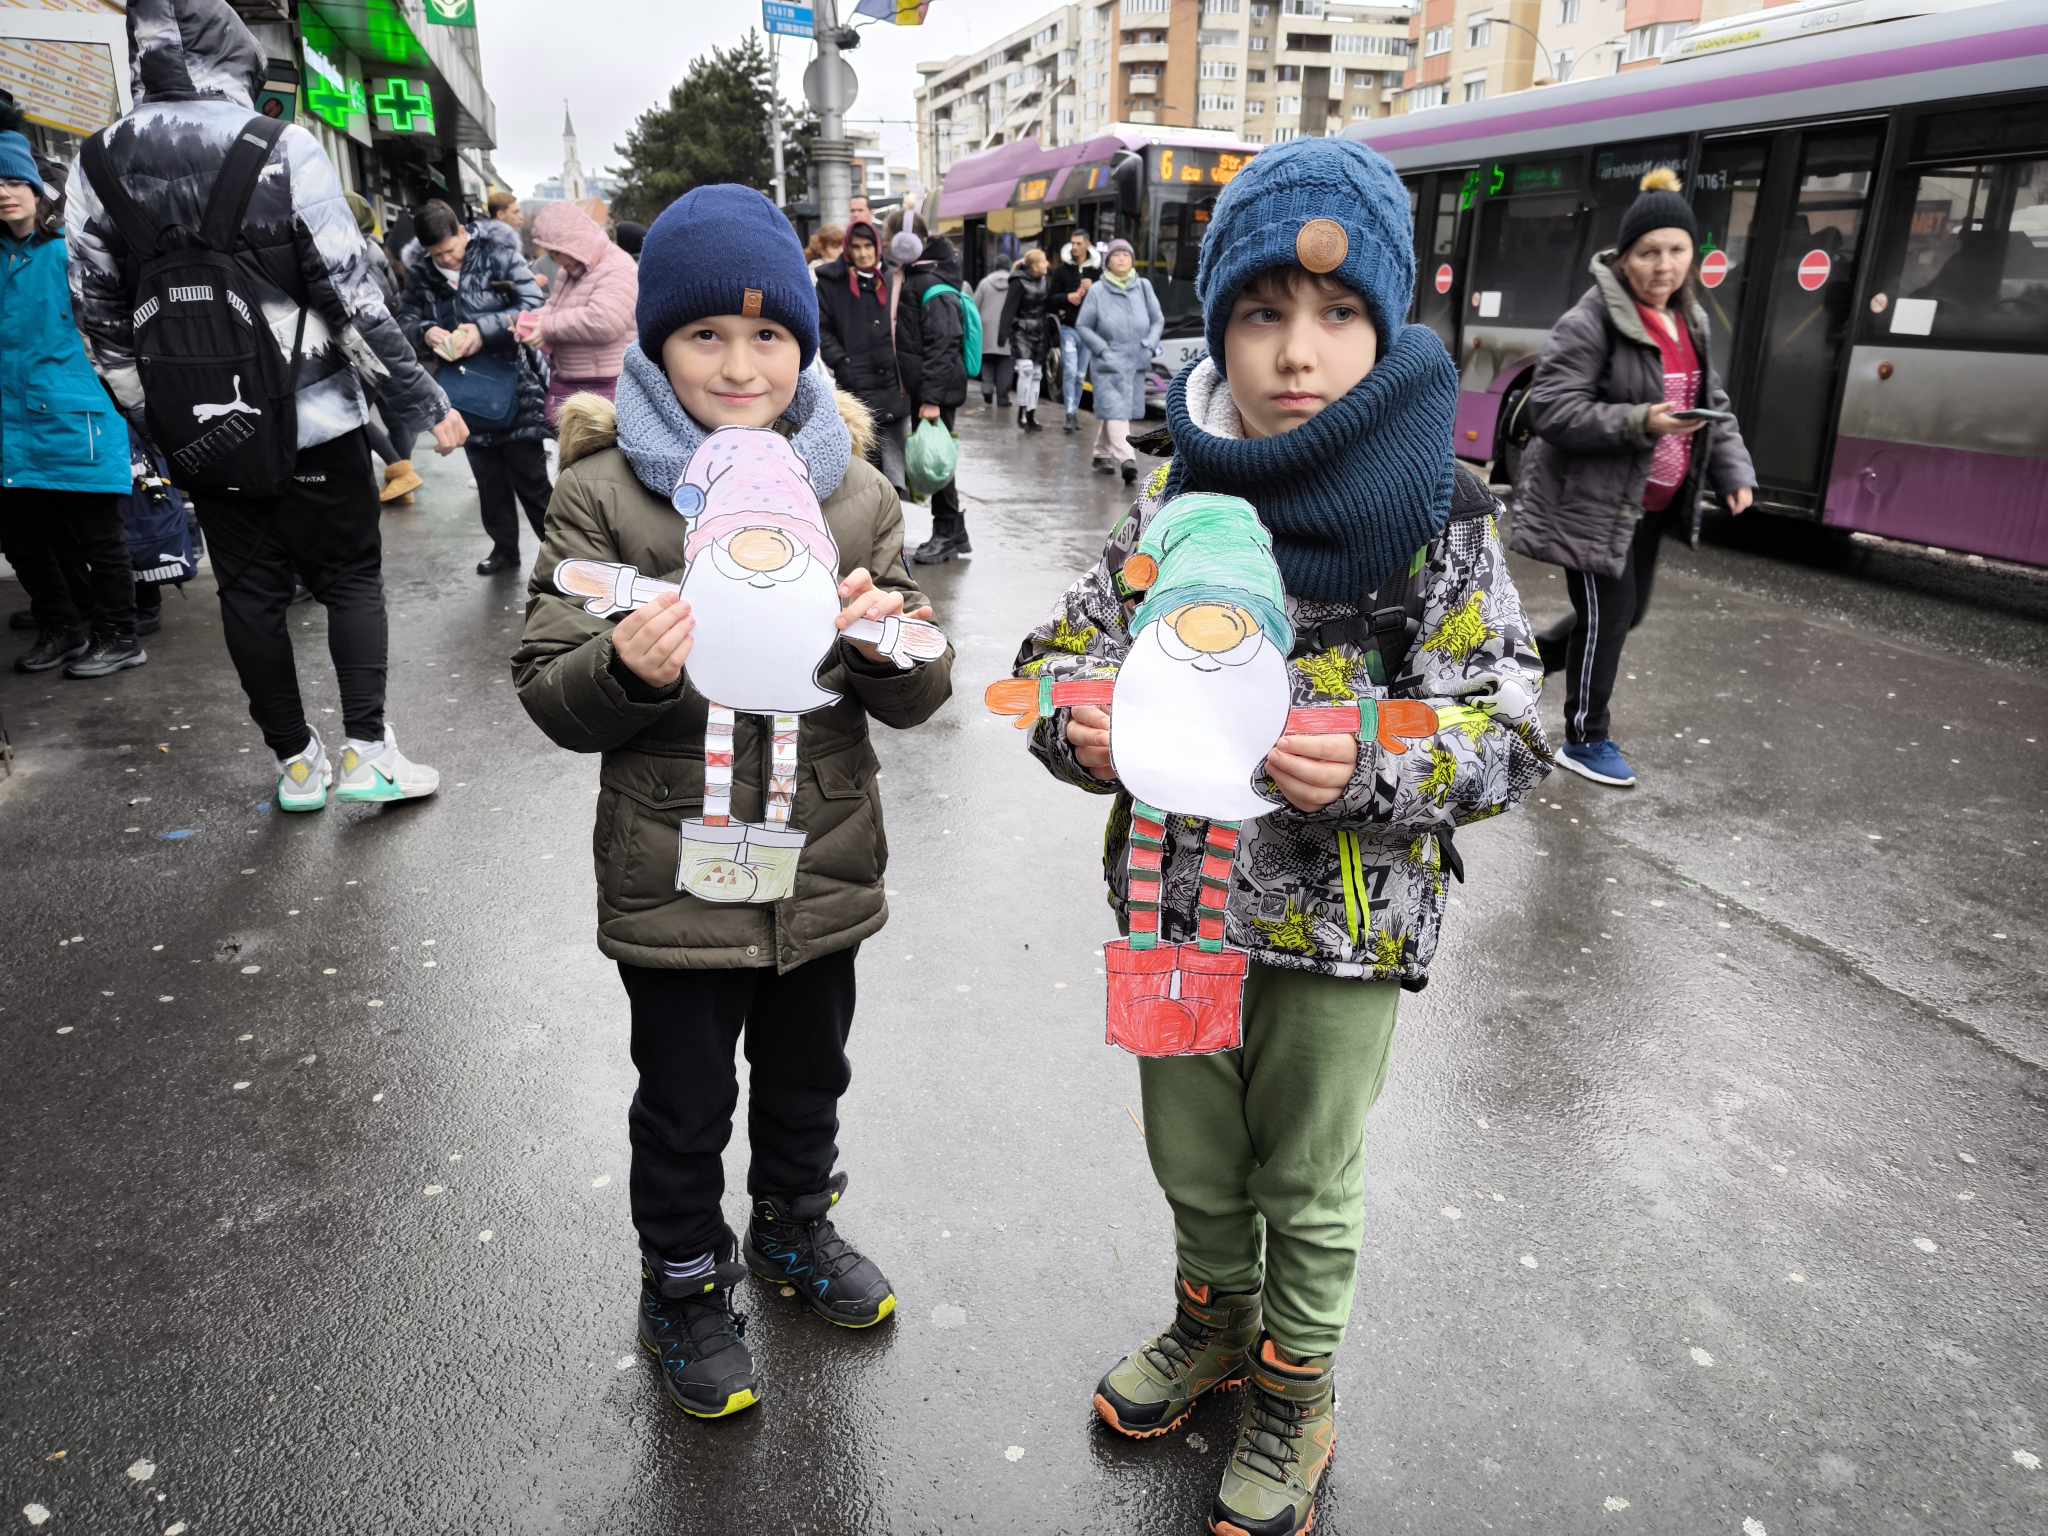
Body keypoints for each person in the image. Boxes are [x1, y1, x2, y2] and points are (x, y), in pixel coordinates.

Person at [1006, 137, 1550, 1536]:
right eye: (1261, 313)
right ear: (1220, 324)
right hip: (1176, 910)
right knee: (1194, 1161)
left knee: (1305, 1180)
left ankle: (1296, 1389)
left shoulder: (1440, 517)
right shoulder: (1174, 506)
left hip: (1341, 937)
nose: (1296, 353)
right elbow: (1058, 657)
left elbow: (1505, 725)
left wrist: (1372, 758)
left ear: (1387, 324)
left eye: (1336, 315)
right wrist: (1078, 725)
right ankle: (1211, 1328)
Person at [512, 184, 953, 1423]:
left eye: (770, 336)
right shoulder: (605, 494)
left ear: (804, 347)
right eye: (707, 334)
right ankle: (683, 1282)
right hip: (676, 866)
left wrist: (884, 655)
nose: (740, 363)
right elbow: (547, 689)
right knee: (685, 1093)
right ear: (655, 342)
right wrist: (625, 666)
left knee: (811, 1073)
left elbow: (923, 687)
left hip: (819, 859)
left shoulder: (854, 496)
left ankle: (795, 1231)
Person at [66, 0, 463, 808]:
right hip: (314, 415)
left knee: (248, 594)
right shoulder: (281, 147)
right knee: (350, 576)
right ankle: (367, 753)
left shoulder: (95, 161)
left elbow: (98, 316)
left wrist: (158, 420)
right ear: (237, 61)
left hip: (202, 427)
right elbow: (351, 297)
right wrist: (419, 397)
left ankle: (295, 766)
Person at [1512, 167, 1756, 789]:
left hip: (1646, 509)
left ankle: (1518, 665)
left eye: (1677, 251)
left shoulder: (1688, 322)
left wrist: (1732, 468)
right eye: (1649, 253)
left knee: (1627, 615)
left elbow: (1712, 403)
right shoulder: (1592, 320)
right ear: (1625, 259)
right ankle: (1585, 739)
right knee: (1606, 619)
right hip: (1589, 503)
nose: (1664, 265)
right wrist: (1641, 420)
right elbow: (1551, 408)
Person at [0, 110, 141, 678]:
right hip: (11, 421)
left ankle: (120, 635)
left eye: (12, 181)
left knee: (98, 537)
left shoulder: (70, 250)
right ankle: (63, 625)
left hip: (76, 414)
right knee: (22, 538)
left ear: (37, 189)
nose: (4, 193)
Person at [398, 199, 548, 576]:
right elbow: (405, 319)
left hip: (514, 378)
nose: (446, 260)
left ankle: (558, 555)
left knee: (530, 475)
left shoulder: (498, 255)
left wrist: (483, 329)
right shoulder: (420, 274)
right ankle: (504, 549)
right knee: (487, 476)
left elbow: (533, 302)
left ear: (463, 233)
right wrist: (425, 331)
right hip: (464, 387)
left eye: (450, 250)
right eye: (437, 255)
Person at [517, 201, 638, 424]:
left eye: (557, 253)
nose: (557, 261)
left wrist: (546, 327)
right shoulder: (569, 271)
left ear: (575, 243)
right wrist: (532, 323)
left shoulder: (618, 266)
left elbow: (604, 321)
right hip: (569, 381)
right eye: (552, 254)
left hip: (604, 387)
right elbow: (553, 308)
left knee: (601, 457)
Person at [894, 232, 970, 565]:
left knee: (935, 459)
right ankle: (954, 532)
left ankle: (947, 534)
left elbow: (943, 346)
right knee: (935, 458)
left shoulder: (928, 286)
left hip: (934, 392)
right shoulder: (925, 280)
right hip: (927, 388)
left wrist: (931, 398)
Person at [816, 218, 909, 487]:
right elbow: (821, 327)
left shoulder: (894, 278)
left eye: (868, 245)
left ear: (878, 246)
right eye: (856, 247)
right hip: (856, 385)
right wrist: (842, 361)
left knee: (895, 471)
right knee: (863, 469)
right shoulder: (831, 283)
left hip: (893, 383)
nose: (863, 253)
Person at [346, 192, 423, 508]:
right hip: (387, 341)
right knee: (394, 415)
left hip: (371, 345)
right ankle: (402, 479)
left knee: (352, 412)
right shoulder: (373, 247)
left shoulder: (355, 250)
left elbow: (370, 305)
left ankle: (400, 471)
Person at [1075, 237, 1162, 485]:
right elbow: (1083, 325)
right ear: (1108, 261)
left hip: (1136, 361)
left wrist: (1149, 345)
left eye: (1126, 254)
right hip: (1108, 365)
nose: (1122, 258)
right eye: (1116, 255)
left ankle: (1101, 453)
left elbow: (1157, 320)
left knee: (1117, 411)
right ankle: (1127, 459)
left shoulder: (1143, 286)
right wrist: (1102, 349)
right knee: (1116, 410)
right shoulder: (1098, 292)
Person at [998, 246, 1055, 432]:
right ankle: (1021, 412)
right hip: (1021, 330)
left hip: (1040, 330)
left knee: (1037, 375)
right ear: (1034, 265)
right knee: (1026, 371)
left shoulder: (1046, 281)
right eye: (1043, 261)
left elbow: (1049, 305)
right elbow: (1008, 309)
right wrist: (1003, 334)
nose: (1047, 264)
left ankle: (1032, 414)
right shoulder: (1018, 282)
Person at [1049, 228, 1100, 432]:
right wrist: (1067, 297)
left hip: (1089, 330)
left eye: (1079, 243)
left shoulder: (1097, 271)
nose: (1075, 247)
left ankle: (1075, 412)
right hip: (1068, 328)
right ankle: (1069, 413)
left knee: (1080, 375)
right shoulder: (1062, 270)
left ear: (1087, 244)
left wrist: (1093, 287)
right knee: (1069, 371)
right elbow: (1050, 299)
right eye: (1073, 243)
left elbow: (1106, 299)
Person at [973, 258, 1013, 408]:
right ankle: (1003, 398)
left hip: (986, 329)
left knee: (988, 361)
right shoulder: (1014, 283)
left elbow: (974, 305)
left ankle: (987, 390)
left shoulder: (984, 283)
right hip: (1007, 329)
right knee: (1005, 363)